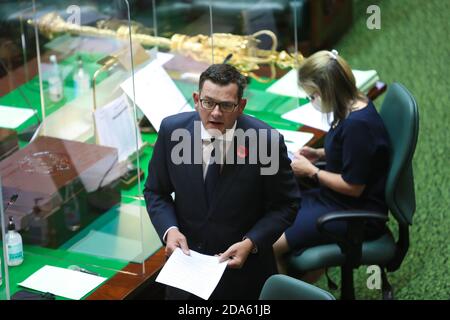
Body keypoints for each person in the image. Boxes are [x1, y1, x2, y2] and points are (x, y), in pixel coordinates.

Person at [144, 63, 300, 299]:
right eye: (208, 103)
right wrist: (170, 230)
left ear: (241, 106)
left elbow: (286, 205)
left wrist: (251, 242)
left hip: (243, 278)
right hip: (186, 273)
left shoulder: (266, 142)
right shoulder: (171, 131)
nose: (215, 113)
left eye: (226, 105)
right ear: (197, 99)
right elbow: (156, 191)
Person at [273, 50, 391, 276]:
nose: (311, 101)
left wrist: (312, 172)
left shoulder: (358, 126)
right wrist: (319, 153)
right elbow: (356, 154)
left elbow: (354, 187)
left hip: (353, 211)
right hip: (334, 199)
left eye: (312, 96)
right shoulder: (353, 103)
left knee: (270, 244)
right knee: (276, 214)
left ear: (327, 91)